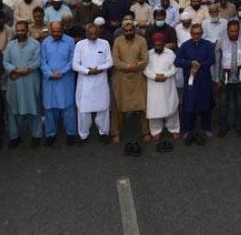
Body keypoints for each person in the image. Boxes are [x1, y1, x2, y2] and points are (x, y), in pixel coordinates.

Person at [73, 22, 114, 143]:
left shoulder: (105, 43)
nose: (92, 36)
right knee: (83, 110)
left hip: (100, 81)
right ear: (86, 33)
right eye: (90, 33)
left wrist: (99, 68)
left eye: (95, 33)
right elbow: (74, 64)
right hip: (85, 83)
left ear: (98, 32)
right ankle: (83, 134)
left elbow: (110, 62)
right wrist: (87, 71)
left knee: (103, 108)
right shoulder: (80, 45)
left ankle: (104, 132)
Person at [111, 19, 148, 154]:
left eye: (130, 30)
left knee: (143, 105)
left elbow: (145, 60)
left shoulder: (142, 41)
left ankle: (145, 132)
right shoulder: (117, 41)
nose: (128, 32)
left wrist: (135, 67)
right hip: (121, 78)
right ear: (122, 31)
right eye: (126, 31)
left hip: (138, 77)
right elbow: (115, 60)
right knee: (119, 107)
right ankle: (116, 132)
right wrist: (128, 66)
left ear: (134, 29)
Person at [4, 21, 43, 148]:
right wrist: (15, 69)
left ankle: (36, 135)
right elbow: (5, 62)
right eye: (18, 30)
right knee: (13, 109)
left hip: (30, 82)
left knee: (34, 109)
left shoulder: (36, 44)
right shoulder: (10, 45)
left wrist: (23, 70)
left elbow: (37, 62)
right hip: (15, 82)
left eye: (22, 30)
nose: (20, 33)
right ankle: (14, 136)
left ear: (28, 31)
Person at [176, 23, 216, 145]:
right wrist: (189, 64)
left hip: (204, 79)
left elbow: (212, 59)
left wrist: (200, 65)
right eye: (194, 34)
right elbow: (177, 61)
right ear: (191, 33)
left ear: (202, 33)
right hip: (190, 80)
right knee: (189, 105)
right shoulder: (184, 46)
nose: (196, 36)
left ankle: (206, 127)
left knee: (205, 105)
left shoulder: (208, 45)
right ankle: (188, 129)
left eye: (199, 33)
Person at [41, 21, 78, 146]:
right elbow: (42, 60)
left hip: (65, 79)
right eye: (54, 31)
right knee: (49, 108)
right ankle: (50, 134)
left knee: (68, 107)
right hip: (49, 80)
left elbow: (73, 59)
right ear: (50, 30)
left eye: (59, 31)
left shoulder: (70, 41)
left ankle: (71, 133)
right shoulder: (45, 42)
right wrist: (49, 73)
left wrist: (62, 72)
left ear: (63, 30)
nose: (56, 33)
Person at [145, 32, 180, 146]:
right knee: (155, 108)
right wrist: (155, 76)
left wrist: (165, 75)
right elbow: (145, 70)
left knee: (171, 106)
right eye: (156, 44)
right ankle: (156, 130)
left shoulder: (170, 53)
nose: (158, 46)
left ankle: (173, 128)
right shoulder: (148, 54)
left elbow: (174, 68)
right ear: (153, 44)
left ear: (164, 43)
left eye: (160, 44)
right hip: (154, 84)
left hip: (167, 83)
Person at [217, 19, 241, 137]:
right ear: (227, 31)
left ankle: (239, 126)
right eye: (231, 31)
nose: (234, 33)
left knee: (240, 104)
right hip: (224, 80)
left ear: (239, 31)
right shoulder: (220, 42)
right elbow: (217, 62)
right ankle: (223, 127)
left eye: (236, 31)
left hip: (240, 79)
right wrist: (216, 79)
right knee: (223, 104)